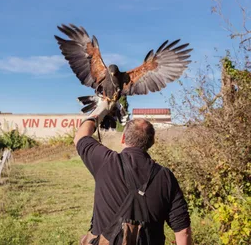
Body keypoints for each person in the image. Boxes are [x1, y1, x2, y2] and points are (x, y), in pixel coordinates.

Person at [74, 101, 192, 245]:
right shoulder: (166, 177)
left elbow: (80, 136)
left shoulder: (106, 161)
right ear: (152, 142)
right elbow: (183, 231)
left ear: (123, 138)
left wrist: (100, 110)